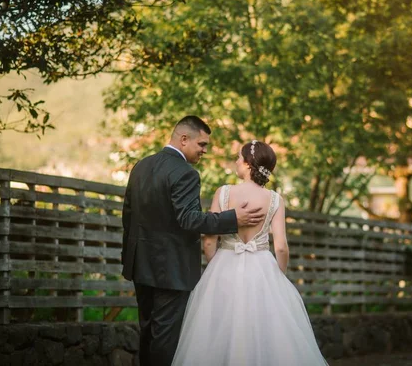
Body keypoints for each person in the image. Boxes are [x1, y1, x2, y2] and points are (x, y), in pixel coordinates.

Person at [121, 116, 266, 366]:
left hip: (140, 264)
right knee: (165, 338)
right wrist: (233, 218)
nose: (204, 151)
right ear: (183, 139)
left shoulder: (141, 166)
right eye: (202, 144)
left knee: (147, 332)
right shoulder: (186, 173)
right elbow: (189, 219)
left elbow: (128, 215)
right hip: (172, 269)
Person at [172, 140, 328, 366]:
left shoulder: (224, 193)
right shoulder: (275, 199)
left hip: (225, 264)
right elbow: (281, 246)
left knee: (215, 332)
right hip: (262, 267)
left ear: (247, 164)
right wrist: (279, 277)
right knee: (267, 332)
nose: (236, 161)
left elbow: (208, 240)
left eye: (238, 157)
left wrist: (217, 264)